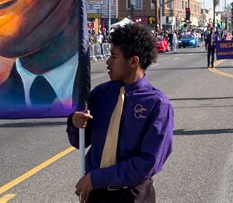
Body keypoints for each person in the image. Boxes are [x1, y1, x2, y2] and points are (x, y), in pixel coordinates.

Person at [67, 24, 174, 203]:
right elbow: (79, 141)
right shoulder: (101, 94)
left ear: (134, 61)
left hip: (132, 195)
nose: (107, 62)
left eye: (114, 57)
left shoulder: (157, 105)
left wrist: (98, 178)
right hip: (96, 193)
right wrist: (75, 122)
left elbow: (147, 163)